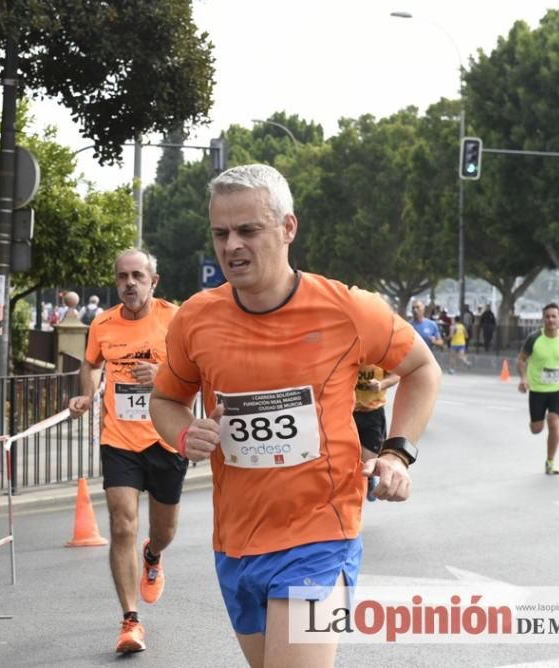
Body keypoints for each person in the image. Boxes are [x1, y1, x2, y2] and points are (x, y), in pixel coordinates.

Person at [149, 164, 442, 667]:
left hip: (319, 535)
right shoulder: (195, 318)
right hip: (236, 543)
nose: (232, 245)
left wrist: (398, 453)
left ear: (288, 228)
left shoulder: (347, 310)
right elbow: (165, 400)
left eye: (248, 230)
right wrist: (183, 435)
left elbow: (422, 368)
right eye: (221, 233)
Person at [67, 248, 185, 655]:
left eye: (137, 275)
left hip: (166, 436)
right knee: (121, 524)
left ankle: (153, 555)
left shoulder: (175, 319)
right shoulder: (102, 324)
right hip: (118, 439)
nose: (129, 283)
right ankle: (130, 621)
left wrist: (164, 376)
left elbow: (201, 372)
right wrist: (86, 395)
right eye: (122, 277)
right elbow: (90, 363)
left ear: (155, 280)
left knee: (164, 530)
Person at [517, 303, 559, 475]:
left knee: (554, 423)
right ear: (543, 319)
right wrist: (523, 379)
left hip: (558, 388)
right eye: (547, 316)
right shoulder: (534, 338)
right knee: (536, 429)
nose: (551, 320)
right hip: (537, 389)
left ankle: (550, 461)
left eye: (554, 316)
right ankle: (537, 420)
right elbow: (521, 360)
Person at [353, 364, 400, 501]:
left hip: (373, 412)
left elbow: (396, 374)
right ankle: (354, 490)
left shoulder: (379, 356)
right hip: (348, 412)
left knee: (368, 458)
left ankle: (368, 479)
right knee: (350, 456)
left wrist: (382, 384)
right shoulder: (347, 353)